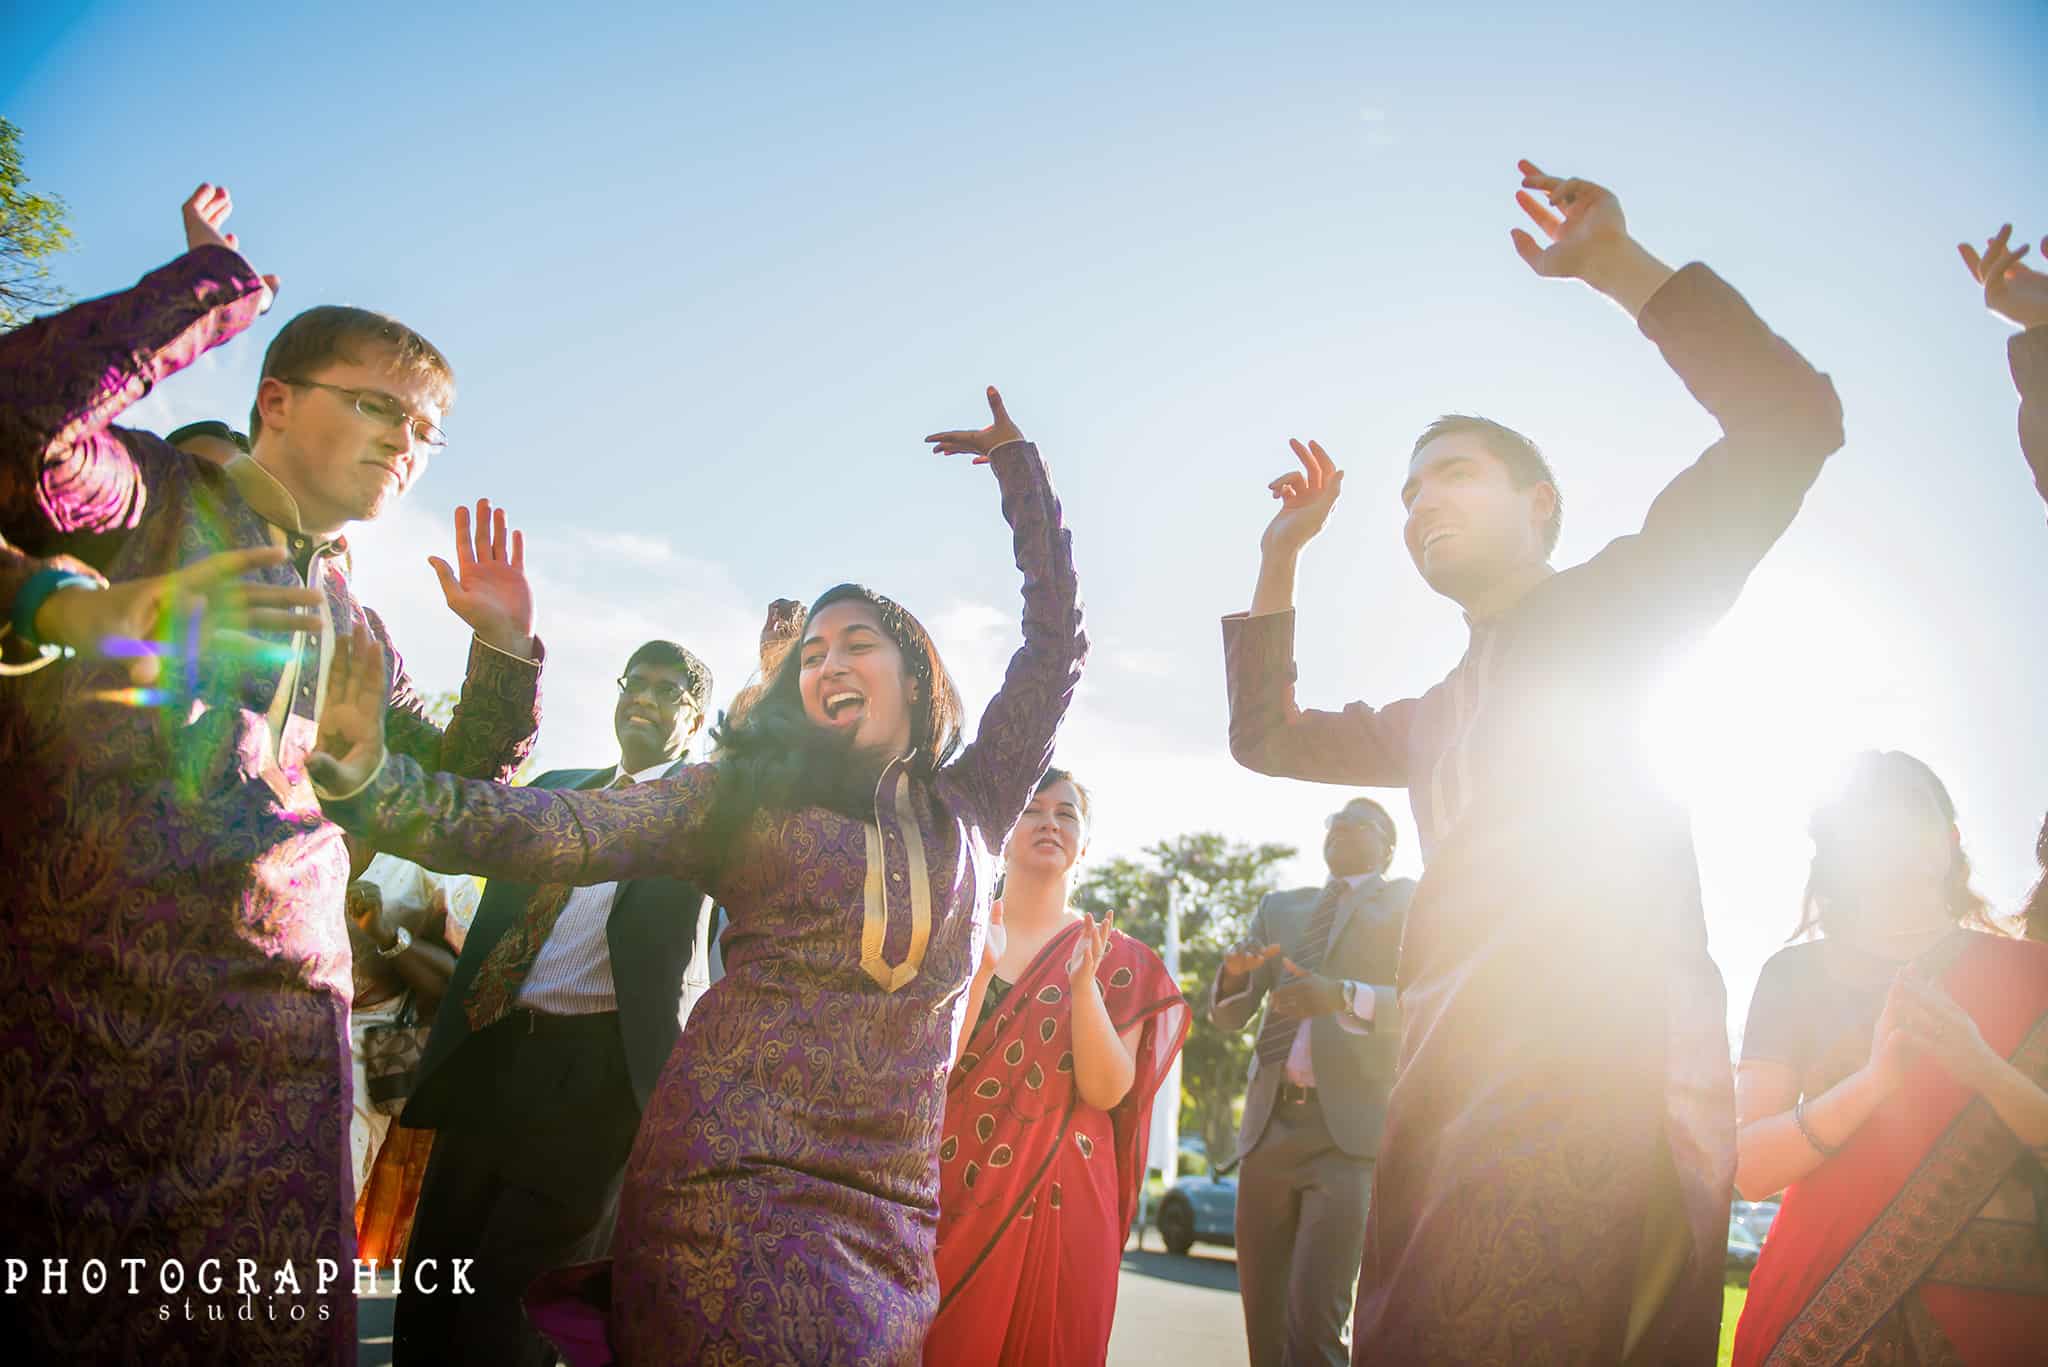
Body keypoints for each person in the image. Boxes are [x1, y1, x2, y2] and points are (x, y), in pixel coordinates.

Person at [307, 387, 1085, 1364]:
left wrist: (1020, 469)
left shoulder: (975, 804)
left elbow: (1053, 647)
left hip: (885, 1207)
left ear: (919, 673)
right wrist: (362, 776)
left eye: (857, 642)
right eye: (810, 653)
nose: (826, 661)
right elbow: (536, 827)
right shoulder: (737, 801)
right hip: (722, 1178)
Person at [1222, 160, 1845, 1363]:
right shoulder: (1431, 711)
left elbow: (1793, 419)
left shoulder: (1618, 606)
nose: (1415, 505)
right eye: (1403, 493)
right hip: (1439, 1102)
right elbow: (1266, 737)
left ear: (1540, 504)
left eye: (1449, 472)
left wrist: (1615, 265)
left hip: (1592, 1087)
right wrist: (1281, 553)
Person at [0, 183, 544, 1363]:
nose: (405, 442)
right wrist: (205, 292)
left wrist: (500, 651)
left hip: (286, 1056)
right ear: (277, 402)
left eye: (424, 431)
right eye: (377, 407)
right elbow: (18, 426)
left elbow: (445, 791)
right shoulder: (150, 495)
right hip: (92, 1025)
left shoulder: (356, 619)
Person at [389, 638, 716, 1367]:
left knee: (509, 1309)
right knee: (436, 1278)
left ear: (695, 721)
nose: (644, 697)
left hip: (597, 1084)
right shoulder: (559, 788)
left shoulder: (702, 821)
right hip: (494, 1053)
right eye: (637, 681)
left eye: (668, 690)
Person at [1729, 752, 2048, 1363]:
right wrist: (1873, 1084)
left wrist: (1981, 1065)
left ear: (1950, 842)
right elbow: (1748, 1168)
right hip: (1820, 1312)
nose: (1890, 830)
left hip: (2001, 1323)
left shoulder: (2033, 976)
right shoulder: (1794, 976)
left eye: (1911, 810)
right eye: (1868, 817)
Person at [924, 769, 1189, 1365]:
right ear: (1005, 831)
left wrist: (1083, 988)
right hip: (951, 1188)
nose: (1049, 822)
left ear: (1084, 844)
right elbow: (937, 1066)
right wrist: (984, 971)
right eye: (1032, 808)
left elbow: (1106, 1088)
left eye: (1066, 814)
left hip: (1065, 1200)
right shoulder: (959, 930)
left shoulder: (1119, 958)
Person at [1208, 796, 1414, 1367]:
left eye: (1359, 823)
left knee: (1315, 1331)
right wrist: (1232, 976)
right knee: (1266, 1335)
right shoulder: (1281, 907)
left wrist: (1345, 994)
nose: (1341, 827)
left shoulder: (1410, 903)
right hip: (1268, 1131)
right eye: (1334, 821)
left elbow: (1427, 1001)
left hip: (1346, 1140)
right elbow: (1229, 1015)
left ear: (1388, 846)